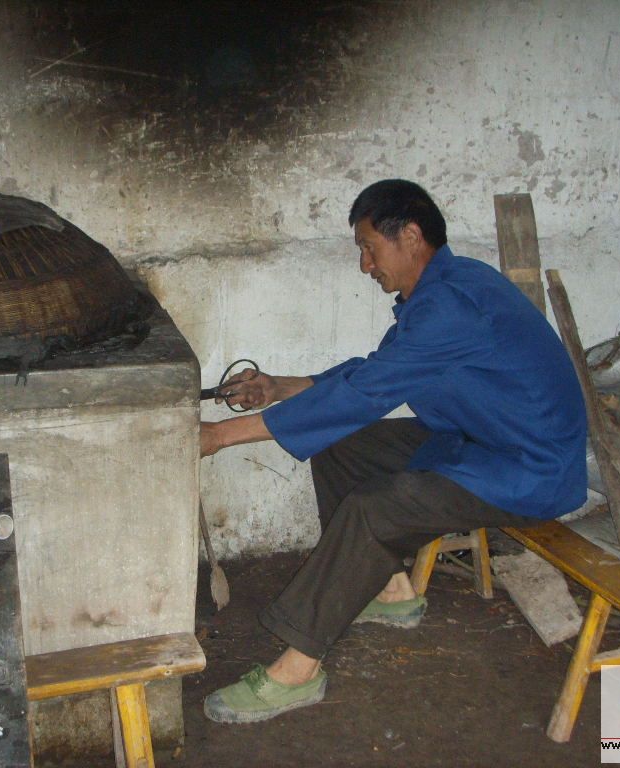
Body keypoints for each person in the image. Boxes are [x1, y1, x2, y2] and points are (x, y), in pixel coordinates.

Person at [200, 179, 587, 724]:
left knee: (376, 508)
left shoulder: (453, 304)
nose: (365, 266)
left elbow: (365, 392)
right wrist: (278, 386)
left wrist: (220, 436)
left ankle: (297, 670)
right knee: (342, 443)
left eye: (368, 247)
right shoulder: (442, 290)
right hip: (477, 441)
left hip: (528, 469)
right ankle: (391, 589)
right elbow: (373, 373)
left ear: (409, 235)